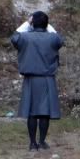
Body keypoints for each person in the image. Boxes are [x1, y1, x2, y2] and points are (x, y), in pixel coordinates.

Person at [11, 11, 63, 151]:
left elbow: (14, 37)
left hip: (31, 79)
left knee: (32, 112)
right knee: (44, 112)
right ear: (46, 24)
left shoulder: (25, 37)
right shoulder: (52, 38)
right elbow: (59, 38)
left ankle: (32, 143)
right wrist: (47, 24)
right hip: (47, 79)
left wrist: (27, 23)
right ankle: (42, 142)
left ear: (33, 22)